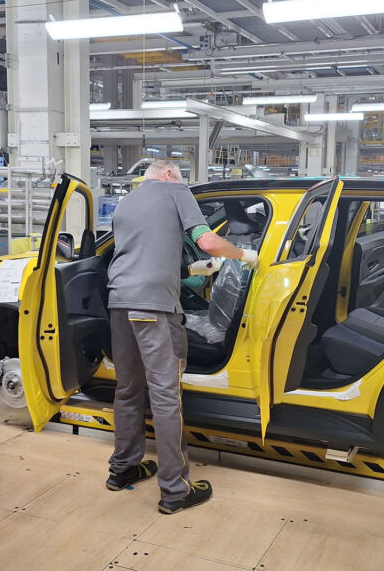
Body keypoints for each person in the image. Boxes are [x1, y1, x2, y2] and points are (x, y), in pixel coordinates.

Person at [105, 159, 258, 514]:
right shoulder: (176, 190)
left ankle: (123, 468)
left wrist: (187, 273)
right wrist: (243, 254)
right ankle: (175, 490)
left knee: (127, 389)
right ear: (171, 173)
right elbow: (206, 241)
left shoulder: (128, 201)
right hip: (154, 308)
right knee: (164, 397)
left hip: (119, 302)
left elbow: (142, 252)